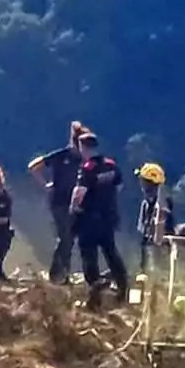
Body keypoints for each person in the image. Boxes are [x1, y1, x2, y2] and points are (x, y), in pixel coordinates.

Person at [70, 130, 129, 309]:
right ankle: (122, 287)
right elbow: (119, 186)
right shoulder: (111, 165)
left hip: (89, 218)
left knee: (89, 256)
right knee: (111, 252)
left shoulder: (87, 168)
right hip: (108, 217)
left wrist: (73, 208)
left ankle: (95, 294)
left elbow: (80, 192)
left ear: (83, 147)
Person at [28, 121, 86, 283]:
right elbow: (33, 167)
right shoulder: (61, 155)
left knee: (69, 238)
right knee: (65, 237)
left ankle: (63, 274)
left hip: (75, 204)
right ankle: (56, 274)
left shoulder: (83, 160)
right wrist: (46, 184)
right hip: (59, 202)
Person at [134, 162, 176, 273]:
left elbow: (162, 230)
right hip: (148, 250)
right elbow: (143, 231)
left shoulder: (164, 203)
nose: (140, 184)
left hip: (161, 251)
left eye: (142, 180)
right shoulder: (146, 203)